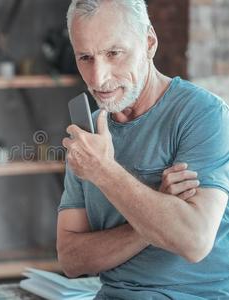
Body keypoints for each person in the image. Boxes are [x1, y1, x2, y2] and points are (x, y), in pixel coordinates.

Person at [58, 0, 229, 299]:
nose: (98, 78)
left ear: (149, 42)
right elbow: (72, 259)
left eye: (114, 53)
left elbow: (193, 241)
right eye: (85, 57)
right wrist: (155, 216)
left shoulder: (204, 114)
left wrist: (103, 171)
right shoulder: (91, 135)